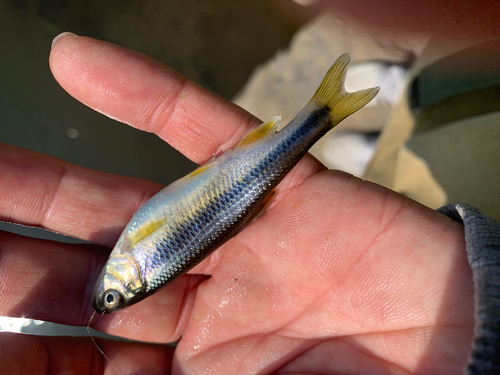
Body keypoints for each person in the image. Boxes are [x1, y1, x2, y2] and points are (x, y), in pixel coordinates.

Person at [0, 33, 498, 374]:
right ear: (131, 280)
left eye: (112, 296)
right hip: (240, 184)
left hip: (243, 186)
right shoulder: (140, 259)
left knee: (441, 139)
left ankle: (384, 127)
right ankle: (357, 117)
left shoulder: (134, 263)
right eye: (114, 297)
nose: (108, 294)